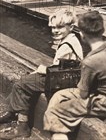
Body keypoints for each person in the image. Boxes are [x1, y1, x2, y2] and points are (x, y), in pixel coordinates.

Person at [0, 9, 83, 139]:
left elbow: (57, 71)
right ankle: (12, 112)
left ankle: (22, 126)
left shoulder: (66, 45)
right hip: (66, 77)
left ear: (71, 27)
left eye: (60, 27)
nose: (55, 30)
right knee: (26, 79)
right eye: (53, 27)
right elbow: (61, 66)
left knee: (22, 84)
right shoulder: (72, 38)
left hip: (62, 81)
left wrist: (42, 69)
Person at [43, 11, 106, 140]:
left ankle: (59, 133)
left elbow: (83, 94)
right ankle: (60, 129)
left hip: (103, 103)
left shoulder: (90, 61)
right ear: (102, 30)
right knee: (59, 95)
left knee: (54, 112)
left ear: (82, 34)